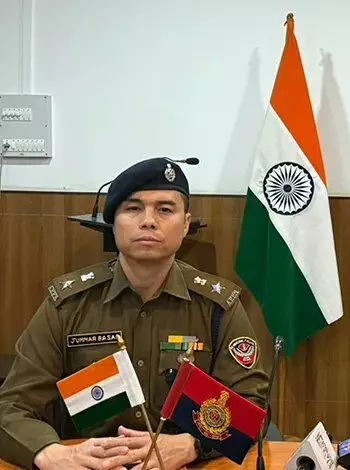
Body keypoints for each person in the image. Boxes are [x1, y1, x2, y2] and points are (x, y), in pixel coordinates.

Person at [0, 158, 270, 470]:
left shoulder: (217, 307)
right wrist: (53, 455)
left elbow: (252, 407)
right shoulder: (67, 305)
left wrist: (193, 444)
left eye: (165, 209)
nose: (149, 221)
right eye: (133, 208)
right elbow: (11, 408)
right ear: (113, 222)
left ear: (186, 224)